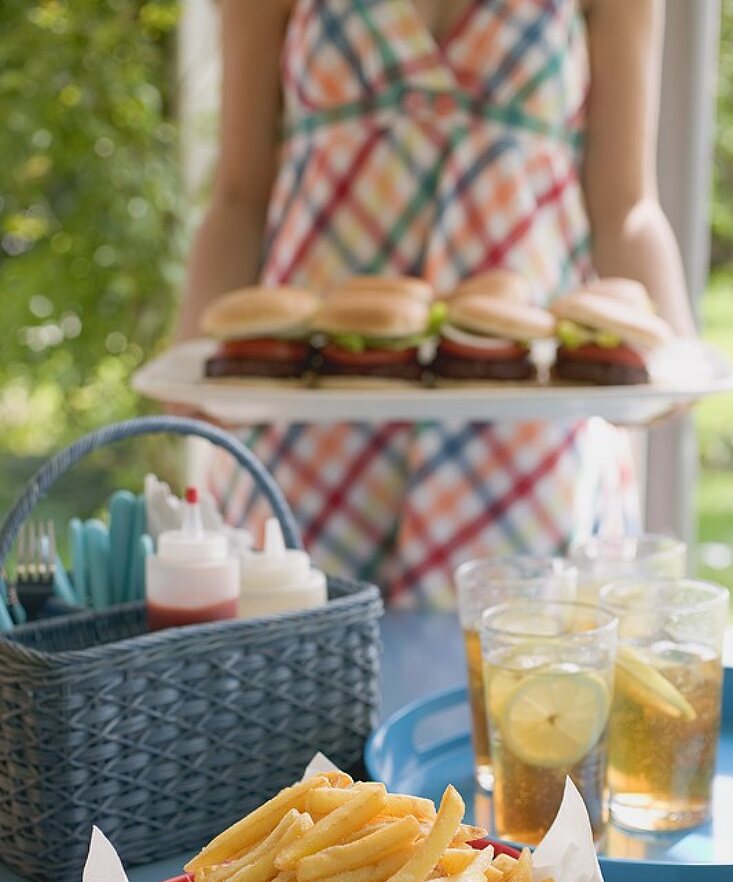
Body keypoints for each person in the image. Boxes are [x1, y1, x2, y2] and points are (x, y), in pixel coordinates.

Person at [175, 0, 695, 609]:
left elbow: (625, 207)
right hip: (308, 415)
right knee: (295, 669)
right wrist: (195, 365)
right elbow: (240, 195)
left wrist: (673, 358)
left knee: (521, 675)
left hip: (528, 429)